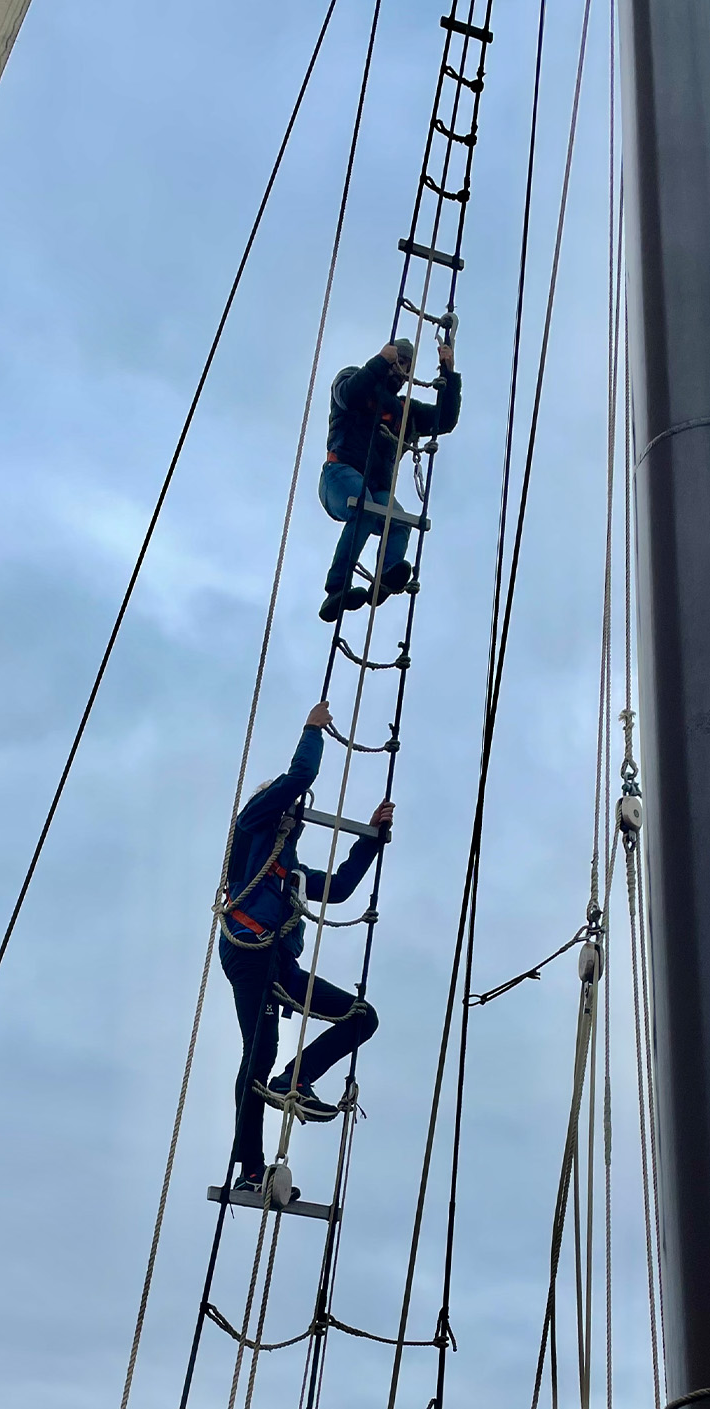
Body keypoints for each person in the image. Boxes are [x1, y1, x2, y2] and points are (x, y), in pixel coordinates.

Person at [219, 699, 392, 1198]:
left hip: (277, 962)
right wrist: (312, 732)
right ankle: (250, 1170)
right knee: (259, 1051)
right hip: (250, 950)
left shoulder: (291, 870)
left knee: (362, 1017)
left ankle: (294, 1078)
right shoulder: (253, 827)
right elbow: (295, 781)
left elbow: (338, 888)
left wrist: (371, 839)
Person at [318, 333, 461, 623]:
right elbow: (349, 396)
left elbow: (443, 420)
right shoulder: (355, 378)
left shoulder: (404, 410)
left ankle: (386, 573)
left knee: (398, 522)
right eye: (400, 361)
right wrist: (381, 362)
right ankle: (337, 587)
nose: (403, 369)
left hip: (375, 486)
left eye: (408, 366)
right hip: (339, 474)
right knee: (364, 506)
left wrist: (449, 372)